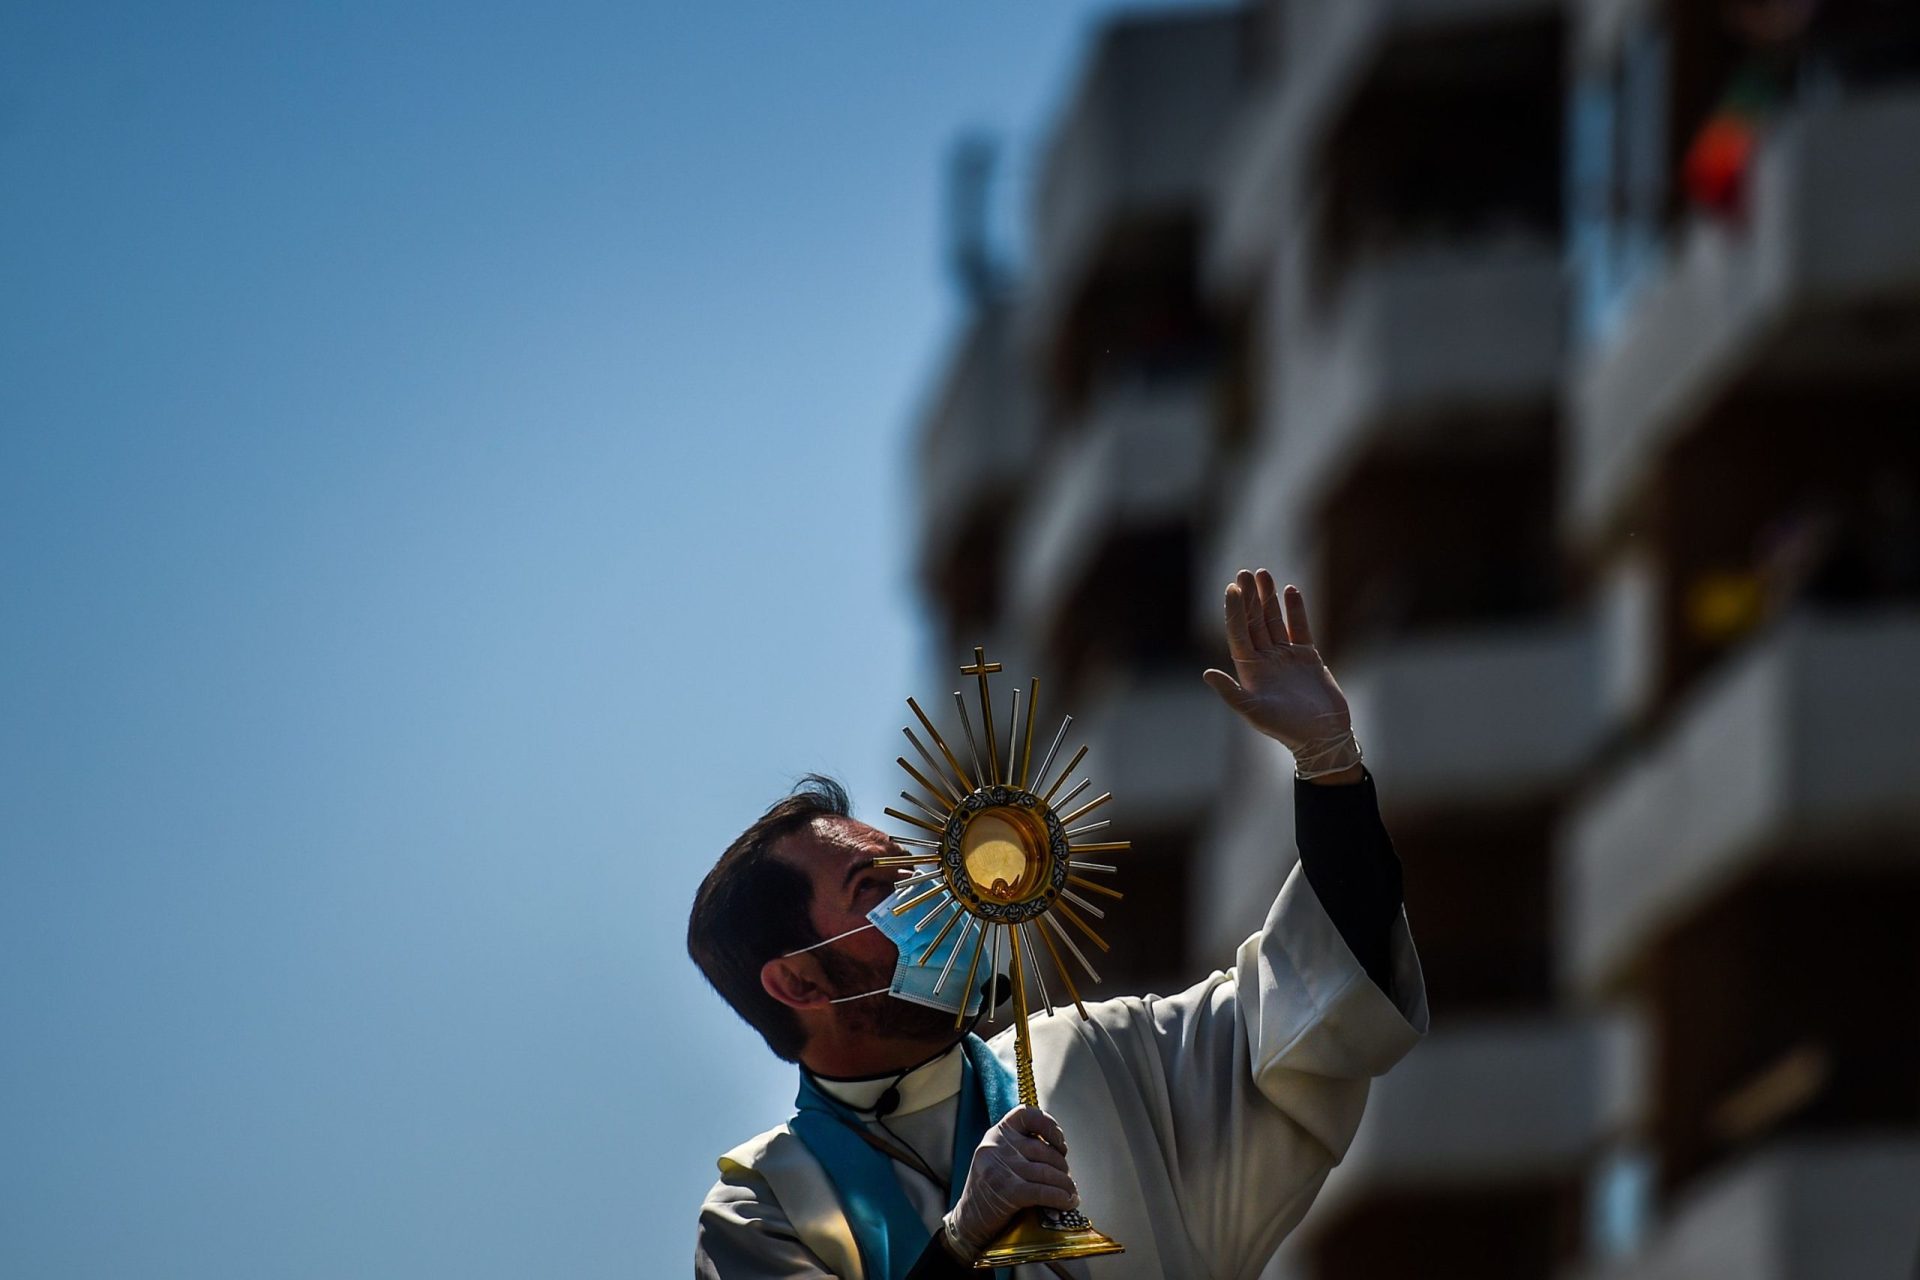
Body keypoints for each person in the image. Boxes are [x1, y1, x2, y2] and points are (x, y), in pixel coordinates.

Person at [688, 570, 1429, 1278]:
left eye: (907, 869)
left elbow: (1322, 999)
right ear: (798, 979)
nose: (927, 895)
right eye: (873, 888)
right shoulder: (763, 1206)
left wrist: (1329, 768)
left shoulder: (1106, 1060)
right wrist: (963, 1242)